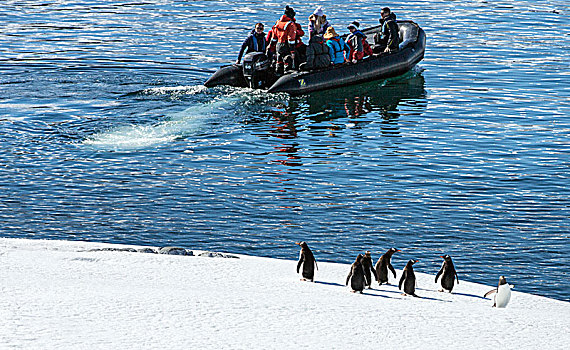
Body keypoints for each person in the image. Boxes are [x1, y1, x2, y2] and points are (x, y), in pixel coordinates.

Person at [270, 5, 299, 74]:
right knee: (288, 61)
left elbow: (274, 37)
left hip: (278, 45)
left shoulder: (277, 23)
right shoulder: (291, 25)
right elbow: (291, 39)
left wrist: (271, 46)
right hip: (286, 46)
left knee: (279, 60)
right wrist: (292, 51)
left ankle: (277, 74)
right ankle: (287, 76)